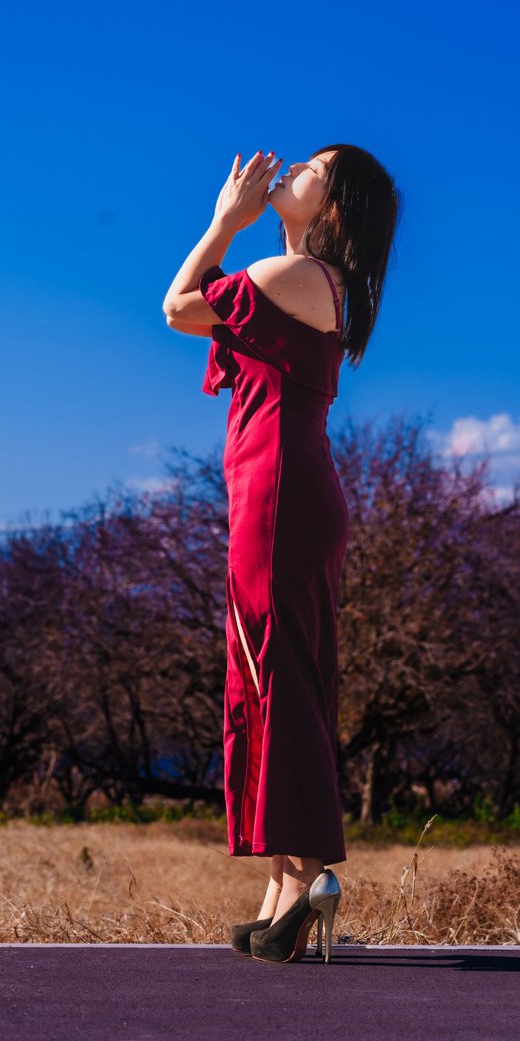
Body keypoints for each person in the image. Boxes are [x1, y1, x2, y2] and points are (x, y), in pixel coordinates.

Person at [162, 143, 401, 963]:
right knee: (267, 682)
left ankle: (308, 879)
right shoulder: (308, 283)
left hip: (280, 499)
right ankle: (284, 883)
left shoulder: (292, 277)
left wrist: (223, 222)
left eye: (311, 168)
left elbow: (179, 307)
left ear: (331, 207)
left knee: (280, 682)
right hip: (277, 496)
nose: (289, 168)